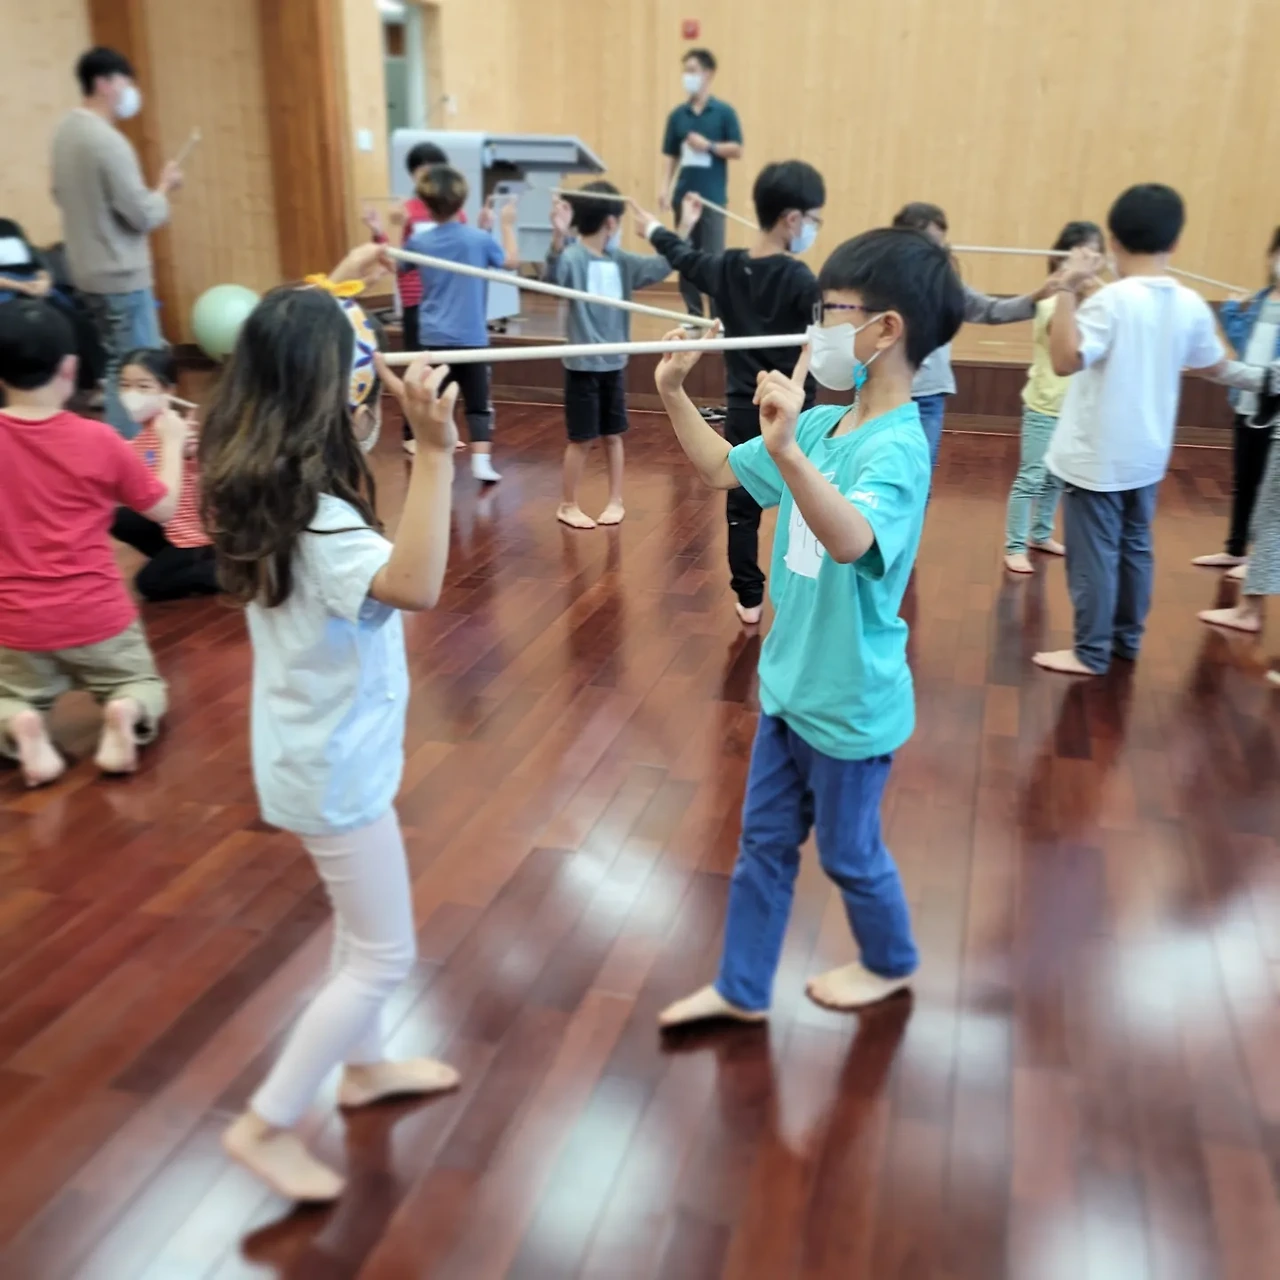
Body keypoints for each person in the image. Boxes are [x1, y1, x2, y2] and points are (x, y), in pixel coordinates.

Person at [651, 228, 966, 1029]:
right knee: (762, 845)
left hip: (851, 704)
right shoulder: (823, 427)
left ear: (886, 329)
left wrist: (789, 453)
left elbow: (853, 539)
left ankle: (890, 961)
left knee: (850, 854)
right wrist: (674, 393)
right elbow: (722, 469)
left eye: (831, 311)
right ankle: (742, 988)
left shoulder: (898, 449)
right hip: (788, 690)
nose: (816, 328)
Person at [199, 247, 462, 1203]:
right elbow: (418, 585)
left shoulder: (259, 477)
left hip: (314, 752)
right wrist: (435, 450)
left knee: (362, 933)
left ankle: (366, 1069)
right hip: (334, 769)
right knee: (385, 954)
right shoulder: (325, 527)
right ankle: (267, 1122)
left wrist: (341, 284)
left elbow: (299, 316)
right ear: (335, 393)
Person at [1033, 184, 1262, 676]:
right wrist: (1263, 377)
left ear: (1113, 240)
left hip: (1096, 458)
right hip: (1146, 457)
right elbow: (1216, 365)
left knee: (1094, 555)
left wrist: (1068, 288)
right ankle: (1125, 641)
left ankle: (1090, 651)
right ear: (1175, 242)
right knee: (1135, 547)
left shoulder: (1110, 302)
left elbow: (1065, 360)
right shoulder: (1189, 303)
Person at [0, 298, 183, 788]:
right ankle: (125, 709)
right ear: (70, 368)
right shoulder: (99, 439)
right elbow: (164, 509)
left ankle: (19, 723)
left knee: (6, 696)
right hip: (99, 616)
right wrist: (171, 444)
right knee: (140, 683)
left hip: (16, 623)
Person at [639, 160, 824, 623]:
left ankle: (749, 596)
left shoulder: (724, 267)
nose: (814, 228)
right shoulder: (801, 279)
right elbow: (822, 337)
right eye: (814, 219)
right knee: (808, 499)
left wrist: (656, 229)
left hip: (747, 407)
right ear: (792, 219)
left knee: (742, 506)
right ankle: (802, 591)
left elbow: (682, 257)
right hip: (797, 411)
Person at [51, 47, 183, 440]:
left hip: (85, 272)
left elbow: (59, 194)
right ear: (105, 83)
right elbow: (141, 213)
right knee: (138, 374)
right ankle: (133, 457)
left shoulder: (64, 134)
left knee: (115, 367)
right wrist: (164, 188)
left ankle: (121, 453)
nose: (130, 92)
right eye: (126, 82)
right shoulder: (107, 142)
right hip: (121, 275)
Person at [545, 182, 687, 529]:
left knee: (613, 435)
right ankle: (568, 504)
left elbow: (662, 266)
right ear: (611, 222)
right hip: (582, 366)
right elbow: (552, 282)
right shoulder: (573, 257)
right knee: (581, 439)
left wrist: (682, 228)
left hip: (614, 365)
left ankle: (615, 500)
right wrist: (558, 238)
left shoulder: (620, 260)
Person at [891, 202, 1060, 469]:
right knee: (881, 471)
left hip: (929, 395)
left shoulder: (946, 281)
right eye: (927, 242)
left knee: (920, 475)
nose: (935, 250)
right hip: (885, 392)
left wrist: (1036, 297)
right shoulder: (879, 280)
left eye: (940, 243)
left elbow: (990, 310)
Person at [362, 141, 487, 456]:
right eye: (421, 171)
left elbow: (463, 248)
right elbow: (398, 257)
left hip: (449, 299)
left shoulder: (456, 212)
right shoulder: (406, 210)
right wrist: (379, 230)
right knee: (420, 368)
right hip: (417, 295)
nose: (428, 175)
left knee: (449, 371)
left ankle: (444, 430)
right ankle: (412, 433)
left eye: (433, 169)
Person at [1003, 220, 1105, 574]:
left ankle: (1041, 534)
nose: (1092, 264)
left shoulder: (1093, 304)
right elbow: (1069, 340)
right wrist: (1076, 290)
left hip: (1075, 409)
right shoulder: (1053, 302)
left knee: (1056, 477)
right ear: (1064, 258)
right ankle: (1015, 545)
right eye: (1084, 256)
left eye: (1096, 256)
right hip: (1044, 406)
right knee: (1031, 476)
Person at [405, 164, 518, 484]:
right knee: (478, 403)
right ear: (462, 200)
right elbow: (511, 261)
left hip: (433, 336)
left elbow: (398, 265)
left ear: (427, 205)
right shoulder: (478, 239)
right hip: (471, 337)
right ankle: (481, 462)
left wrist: (391, 226)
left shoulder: (420, 242)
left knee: (436, 403)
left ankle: (437, 459)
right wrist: (506, 225)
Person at [1190, 225, 1280, 573]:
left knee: (1269, 489)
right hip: (1247, 403)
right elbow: (1241, 344)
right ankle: (1235, 549)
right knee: (1244, 481)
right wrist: (1230, 310)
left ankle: (1259, 559)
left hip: (1273, 408)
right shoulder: (1260, 299)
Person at [109, 348, 219, 601]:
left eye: (143, 386)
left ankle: (222, 572)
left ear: (168, 390)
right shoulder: (143, 438)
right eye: (125, 385)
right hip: (176, 529)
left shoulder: (186, 430)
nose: (132, 395)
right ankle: (174, 559)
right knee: (120, 518)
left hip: (205, 534)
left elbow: (211, 468)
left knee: (150, 584)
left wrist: (191, 454)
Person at [658, 48, 743, 317]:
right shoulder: (677, 116)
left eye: (693, 70)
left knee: (714, 258)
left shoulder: (724, 113)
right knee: (684, 254)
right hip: (684, 196)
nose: (688, 76)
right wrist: (664, 187)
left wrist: (709, 146)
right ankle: (693, 315)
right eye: (685, 71)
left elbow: (737, 149)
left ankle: (717, 317)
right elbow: (670, 155)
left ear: (708, 73)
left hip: (712, 198)